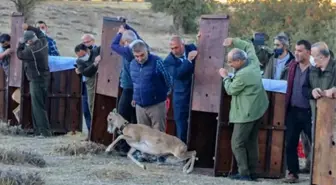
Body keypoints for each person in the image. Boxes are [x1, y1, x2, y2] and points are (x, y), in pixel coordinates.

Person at [218, 37, 269, 181]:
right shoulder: (252, 62)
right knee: (251, 142)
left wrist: (225, 77)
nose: (229, 65)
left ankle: (244, 173)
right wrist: (233, 41)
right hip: (258, 109)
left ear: (240, 61)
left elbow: (231, 90)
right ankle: (253, 172)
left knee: (237, 143)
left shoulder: (243, 75)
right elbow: (248, 46)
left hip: (246, 113)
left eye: (231, 62)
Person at [283, 40, 312, 183]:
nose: (296, 53)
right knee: (290, 143)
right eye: (295, 50)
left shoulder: (314, 69)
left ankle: (320, 172)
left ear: (308, 52)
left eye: (300, 50)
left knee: (315, 143)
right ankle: (293, 173)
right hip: (293, 111)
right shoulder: (292, 66)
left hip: (309, 112)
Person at [110, 22, 141, 156]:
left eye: (123, 42)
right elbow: (137, 36)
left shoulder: (129, 51)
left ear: (126, 42)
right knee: (134, 117)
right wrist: (127, 27)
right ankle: (134, 147)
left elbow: (113, 45)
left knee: (122, 117)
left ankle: (123, 147)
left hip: (129, 88)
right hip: (136, 88)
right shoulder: (141, 47)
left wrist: (119, 33)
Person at [16, 23, 51, 137]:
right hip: (44, 77)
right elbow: (40, 33)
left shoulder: (30, 51)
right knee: (39, 105)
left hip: (36, 79)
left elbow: (19, 55)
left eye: (26, 42)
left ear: (30, 41)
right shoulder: (43, 42)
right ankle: (38, 131)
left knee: (38, 107)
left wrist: (20, 44)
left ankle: (44, 132)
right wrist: (29, 27)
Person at [130, 39, 172, 132]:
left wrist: (164, 94)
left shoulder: (157, 61)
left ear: (147, 51)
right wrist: (134, 97)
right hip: (140, 105)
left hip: (156, 105)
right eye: (136, 56)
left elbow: (168, 78)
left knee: (158, 135)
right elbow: (135, 82)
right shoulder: (132, 64)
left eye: (142, 55)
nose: (139, 59)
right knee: (143, 134)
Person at [163, 35, 197, 143]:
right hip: (180, 95)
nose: (174, 51)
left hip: (196, 91)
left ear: (182, 44)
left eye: (176, 47)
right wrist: (188, 60)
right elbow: (178, 74)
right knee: (181, 123)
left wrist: (201, 39)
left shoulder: (191, 47)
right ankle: (181, 148)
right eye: (172, 48)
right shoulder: (168, 61)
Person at [74, 44, 101, 123]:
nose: (81, 57)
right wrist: (95, 64)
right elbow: (86, 72)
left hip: (102, 80)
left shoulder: (96, 51)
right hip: (91, 84)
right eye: (80, 56)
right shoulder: (79, 61)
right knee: (92, 105)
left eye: (82, 55)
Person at [79, 34, 98, 137]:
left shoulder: (97, 51)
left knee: (92, 108)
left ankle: (94, 134)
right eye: (84, 42)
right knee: (85, 110)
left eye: (87, 41)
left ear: (93, 41)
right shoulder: (82, 52)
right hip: (84, 83)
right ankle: (90, 134)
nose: (85, 44)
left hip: (92, 83)